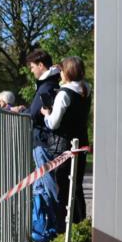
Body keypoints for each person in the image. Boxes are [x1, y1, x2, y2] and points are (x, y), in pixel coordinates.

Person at [42, 56, 91, 231]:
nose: (60, 74)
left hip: (62, 148)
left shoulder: (64, 94)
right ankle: (81, 226)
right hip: (81, 144)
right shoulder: (87, 89)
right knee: (77, 189)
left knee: (63, 191)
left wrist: (46, 114)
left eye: (61, 70)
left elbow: (53, 123)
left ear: (67, 72)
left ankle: (65, 230)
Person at [25, 49, 63, 242]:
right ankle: (40, 229)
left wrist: (26, 112)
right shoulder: (50, 84)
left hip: (42, 142)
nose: (31, 71)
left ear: (41, 65)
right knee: (40, 186)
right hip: (41, 141)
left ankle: (56, 228)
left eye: (32, 67)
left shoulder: (47, 86)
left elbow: (33, 115)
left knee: (47, 187)